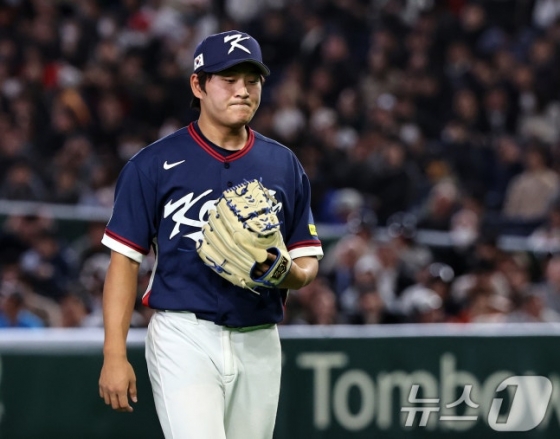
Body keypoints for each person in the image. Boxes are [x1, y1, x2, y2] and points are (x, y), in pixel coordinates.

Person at [98, 30, 323, 439]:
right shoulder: (152, 164)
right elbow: (124, 261)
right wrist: (114, 353)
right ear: (198, 85)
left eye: (252, 81)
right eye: (228, 79)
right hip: (184, 334)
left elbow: (305, 258)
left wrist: (289, 274)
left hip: (259, 337)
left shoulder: (283, 164)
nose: (243, 91)